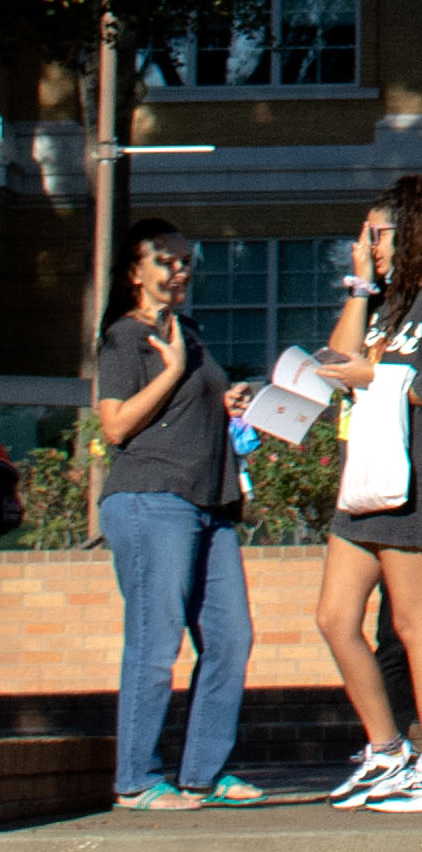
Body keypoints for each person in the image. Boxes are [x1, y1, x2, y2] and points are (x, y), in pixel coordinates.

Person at [311, 179, 422, 811]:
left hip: (419, 482)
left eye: (376, 234)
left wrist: (372, 378)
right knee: (334, 617)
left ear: (409, 233)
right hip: (366, 483)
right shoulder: (391, 302)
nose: (368, 246)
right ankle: (386, 751)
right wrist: (359, 285)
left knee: (414, 623)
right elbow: (339, 357)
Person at [93, 228, 260, 811]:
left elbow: (185, 405)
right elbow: (115, 426)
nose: (180, 271)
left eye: (187, 262)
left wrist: (225, 401)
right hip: (151, 499)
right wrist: (171, 372)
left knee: (231, 638)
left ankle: (203, 774)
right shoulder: (125, 337)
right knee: (155, 641)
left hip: (210, 504)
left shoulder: (185, 333)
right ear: (134, 273)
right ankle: (135, 781)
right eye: (165, 262)